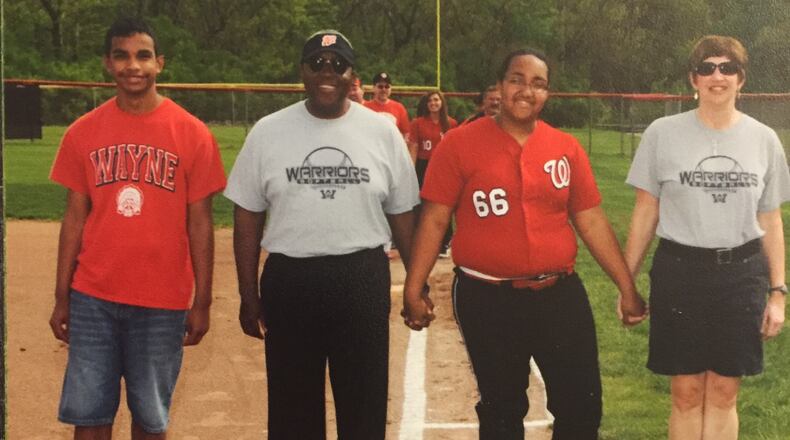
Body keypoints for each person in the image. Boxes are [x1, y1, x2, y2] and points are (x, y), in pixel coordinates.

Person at [402, 48, 647, 440]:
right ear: (499, 86)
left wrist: (627, 287)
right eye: (517, 79)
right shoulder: (459, 144)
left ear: (547, 94)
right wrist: (414, 288)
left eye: (538, 84)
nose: (526, 91)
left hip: (559, 293)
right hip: (488, 297)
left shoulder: (564, 147)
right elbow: (434, 219)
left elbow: (591, 219)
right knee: (502, 410)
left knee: (582, 406)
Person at [225, 30, 423, 439]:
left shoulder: (380, 132)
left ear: (353, 74)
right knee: (292, 412)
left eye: (338, 65)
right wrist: (248, 294)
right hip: (291, 279)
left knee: (364, 406)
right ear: (302, 71)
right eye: (317, 64)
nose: (326, 72)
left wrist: (415, 286)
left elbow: (403, 214)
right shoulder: (268, 131)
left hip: (361, 278)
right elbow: (247, 215)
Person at [48, 17, 226, 440]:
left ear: (160, 63)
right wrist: (62, 296)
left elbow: (200, 224)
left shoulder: (193, 134)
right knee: (89, 418)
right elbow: (74, 218)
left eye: (143, 55)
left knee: (150, 420)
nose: (133, 65)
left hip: (161, 301)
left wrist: (202, 299)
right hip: (93, 296)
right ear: (108, 64)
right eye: (122, 55)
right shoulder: (82, 132)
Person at [624, 35, 790, 440]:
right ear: (692, 79)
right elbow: (646, 211)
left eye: (727, 67)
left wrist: (777, 292)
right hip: (680, 272)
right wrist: (626, 283)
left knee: (723, 391)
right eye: (707, 67)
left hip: (740, 275)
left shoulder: (764, 139)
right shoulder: (662, 133)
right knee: (685, 391)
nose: (717, 76)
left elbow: (770, 219)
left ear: (741, 80)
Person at [408, 91, 458, 256]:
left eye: (436, 100)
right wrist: (411, 170)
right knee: (423, 204)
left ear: (442, 102)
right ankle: (421, 241)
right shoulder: (418, 123)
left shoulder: (450, 123)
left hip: (444, 166)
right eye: (430, 100)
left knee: (445, 203)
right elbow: (414, 147)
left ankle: (445, 242)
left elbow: (455, 149)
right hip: (424, 164)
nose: (433, 103)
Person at [364, 71, 411, 138]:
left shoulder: (399, 108)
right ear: (374, 88)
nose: (384, 89)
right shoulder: (365, 107)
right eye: (380, 86)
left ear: (390, 88)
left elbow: (406, 133)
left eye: (387, 86)